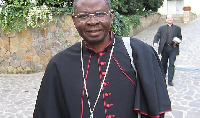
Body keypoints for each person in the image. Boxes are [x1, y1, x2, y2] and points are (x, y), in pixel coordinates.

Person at [33, 0, 171, 117]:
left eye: (100, 14)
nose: (92, 21)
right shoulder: (59, 65)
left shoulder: (140, 54)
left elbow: (155, 107)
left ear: (111, 17)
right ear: (74, 21)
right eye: (83, 15)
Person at [153, 14, 182, 86]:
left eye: (171, 18)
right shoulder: (161, 28)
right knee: (163, 64)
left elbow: (180, 37)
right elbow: (157, 36)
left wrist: (178, 41)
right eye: (168, 18)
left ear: (173, 19)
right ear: (166, 20)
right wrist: (155, 42)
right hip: (164, 48)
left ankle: (170, 80)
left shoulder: (177, 28)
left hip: (173, 48)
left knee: (171, 64)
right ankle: (162, 78)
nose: (170, 19)